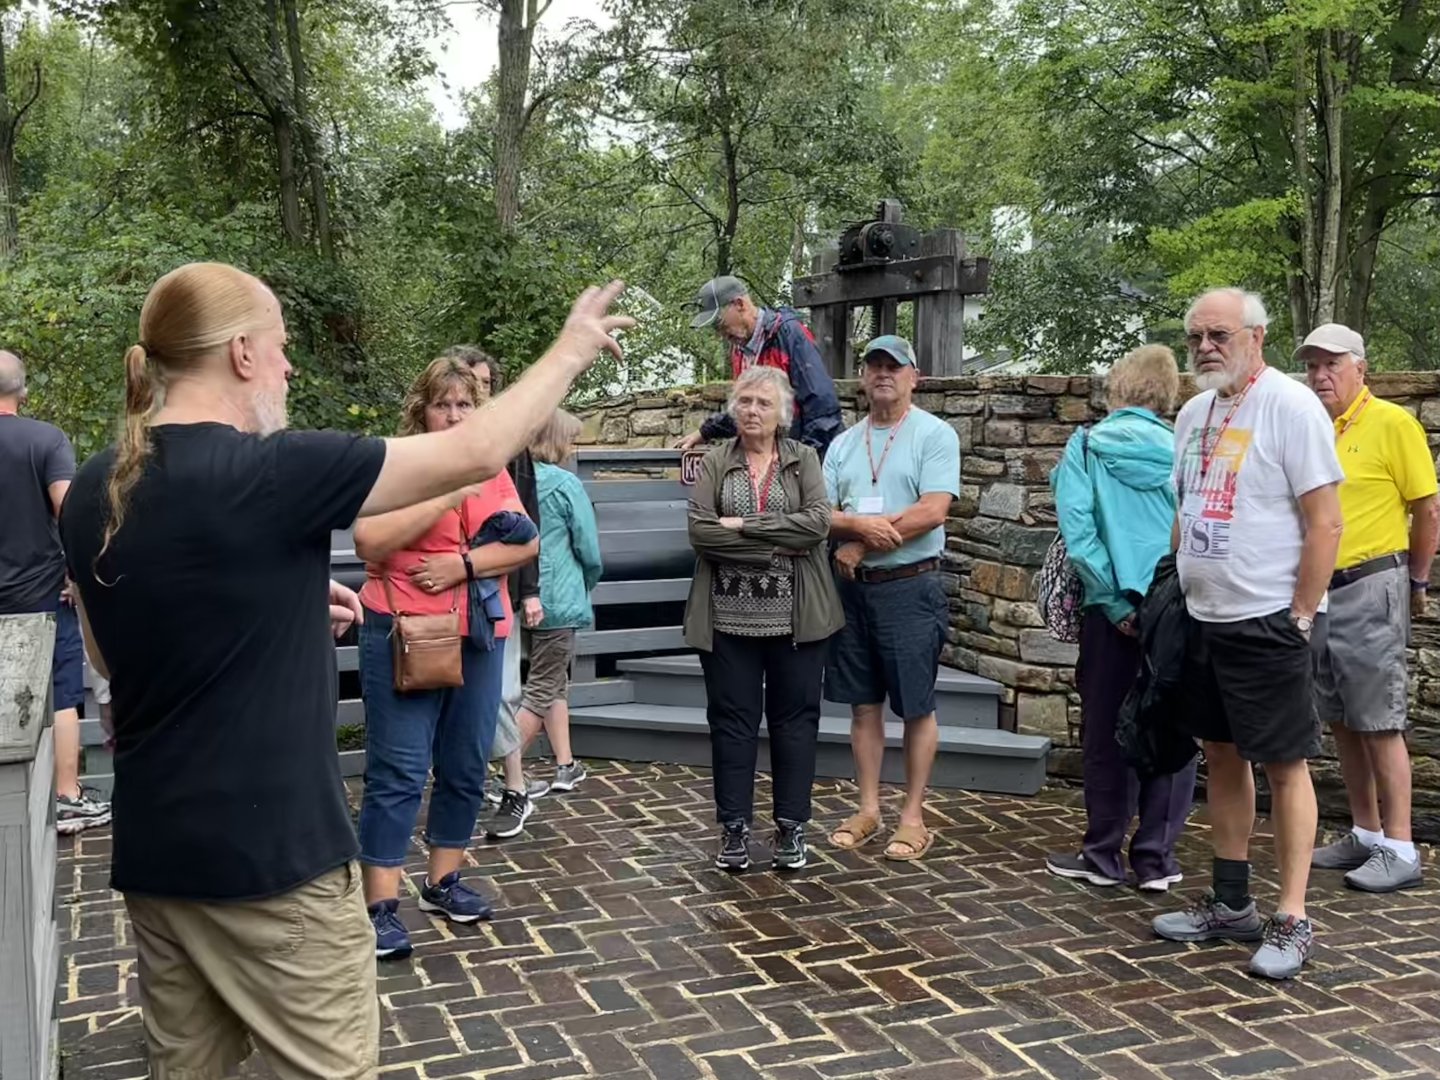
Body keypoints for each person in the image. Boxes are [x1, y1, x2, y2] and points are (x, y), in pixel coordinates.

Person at [59, 261, 630, 1079]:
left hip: (157, 860)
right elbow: (474, 450)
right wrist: (572, 347)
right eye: (282, 347)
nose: (290, 367)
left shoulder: (92, 488)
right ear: (243, 353)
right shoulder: (271, 472)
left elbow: (122, 655)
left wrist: (278, 600)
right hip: (276, 865)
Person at [1151, 287, 1343, 981]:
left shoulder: (1291, 407)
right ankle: (1231, 903)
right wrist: (1172, 583)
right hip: (1205, 617)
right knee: (1222, 757)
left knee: (1285, 764)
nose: (1206, 347)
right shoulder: (1194, 411)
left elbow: (1325, 521)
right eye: (1196, 335)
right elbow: (1187, 504)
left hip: (1269, 621)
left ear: (1256, 338)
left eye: (1220, 335)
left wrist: (1300, 614)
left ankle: (1292, 917)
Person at [353, 357, 537, 959]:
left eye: (464, 405)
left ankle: (442, 881)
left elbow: (526, 542)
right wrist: (449, 490)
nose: (454, 415)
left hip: (479, 629)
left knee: (465, 761)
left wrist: (463, 565)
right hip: (404, 628)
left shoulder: (494, 465)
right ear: (422, 409)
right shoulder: (397, 460)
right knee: (400, 768)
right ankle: (379, 906)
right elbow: (370, 542)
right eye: (443, 404)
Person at [1044, 345, 1197, 891]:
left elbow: (1080, 538)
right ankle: (1156, 859)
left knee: (1106, 731)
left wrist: (1113, 603)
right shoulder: (1186, 449)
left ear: (1117, 388)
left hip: (1111, 614)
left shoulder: (1086, 446)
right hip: (1176, 607)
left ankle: (1103, 853)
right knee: (1174, 728)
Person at [684, 365, 843, 871]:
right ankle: (734, 828)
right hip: (727, 618)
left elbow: (818, 524)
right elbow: (701, 533)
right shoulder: (715, 460)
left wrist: (745, 527)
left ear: (783, 415)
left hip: (797, 619)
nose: (753, 411)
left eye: (764, 404)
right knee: (732, 723)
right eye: (745, 401)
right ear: (734, 408)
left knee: (795, 722)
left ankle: (792, 829)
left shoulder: (804, 459)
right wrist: (773, 545)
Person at [1301, 324, 1437, 893]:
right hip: (1322, 589)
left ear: (1362, 368)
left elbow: (1427, 508)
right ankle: (1366, 831)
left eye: (1332, 364)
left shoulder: (1392, 424)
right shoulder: (1310, 428)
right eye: (1312, 366)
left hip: (1372, 581)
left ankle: (1401, 847)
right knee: (1341, 719)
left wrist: (1418, 579)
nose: (1320, 375)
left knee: (1379, 720)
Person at [822, 335, 960, 862]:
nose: (884, 374)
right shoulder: (842, 444)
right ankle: (868, 809)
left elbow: (932, 510)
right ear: (863, 377)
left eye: (894, 367)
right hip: (854, 593)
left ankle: (913, 817)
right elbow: (822, 512)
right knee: (863, 706)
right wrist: (850, 529)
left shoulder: (934, 435)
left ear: (913, 376)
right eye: (875, 366)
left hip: (910, 585)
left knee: (916, 707)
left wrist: (858, 539)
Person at [0, 350, 111, 834]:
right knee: (62, 695)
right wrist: (79, 574)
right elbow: (70, 511)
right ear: (23, 392)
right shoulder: (46, 440)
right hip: (40, 594)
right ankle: (66, 798)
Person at [446, 346, 553, 834]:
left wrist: (529, 590)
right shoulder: (435, 441)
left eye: (485, 384)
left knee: (501, 690)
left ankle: (516, 787)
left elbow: (528, 517)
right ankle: (459, 783)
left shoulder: (509, 441)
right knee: (450, 688)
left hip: (495, 588)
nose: (477, 392)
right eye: (470, 383)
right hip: (442, 589)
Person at [492, 408, 603, 823]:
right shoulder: (564, 483)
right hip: (559, 597)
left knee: (553, 681)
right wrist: (590, 579)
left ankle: (565, 765)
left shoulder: (514, 479)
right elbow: (588, 548)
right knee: (541, 689)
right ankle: (506, 771)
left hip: (522, 596)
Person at [677, 276, 843, 458]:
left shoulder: (790, 335)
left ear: (739, 304)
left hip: (805, 459)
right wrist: (704, 432)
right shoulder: (739, 351)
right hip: (772, 462)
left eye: (720, 324)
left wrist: (804, 464)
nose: (720, 334)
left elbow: (821, 408)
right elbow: (743, 409)